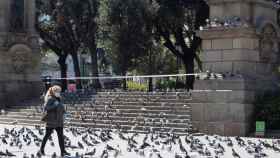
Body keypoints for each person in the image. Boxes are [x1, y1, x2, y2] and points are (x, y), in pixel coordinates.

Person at [39, 85, 70, 156]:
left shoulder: (59, 99)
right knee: (47, 136)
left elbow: (61, 108)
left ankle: (63, 152)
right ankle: (41, 150)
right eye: (57, 91)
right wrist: (54, 105)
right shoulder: (50, 99)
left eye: (59, 91)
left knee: (61, 137)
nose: (58, 93)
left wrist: (65, 111)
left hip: (59, 121)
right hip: (51, 122)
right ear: (53, 92)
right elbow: (46, 108)